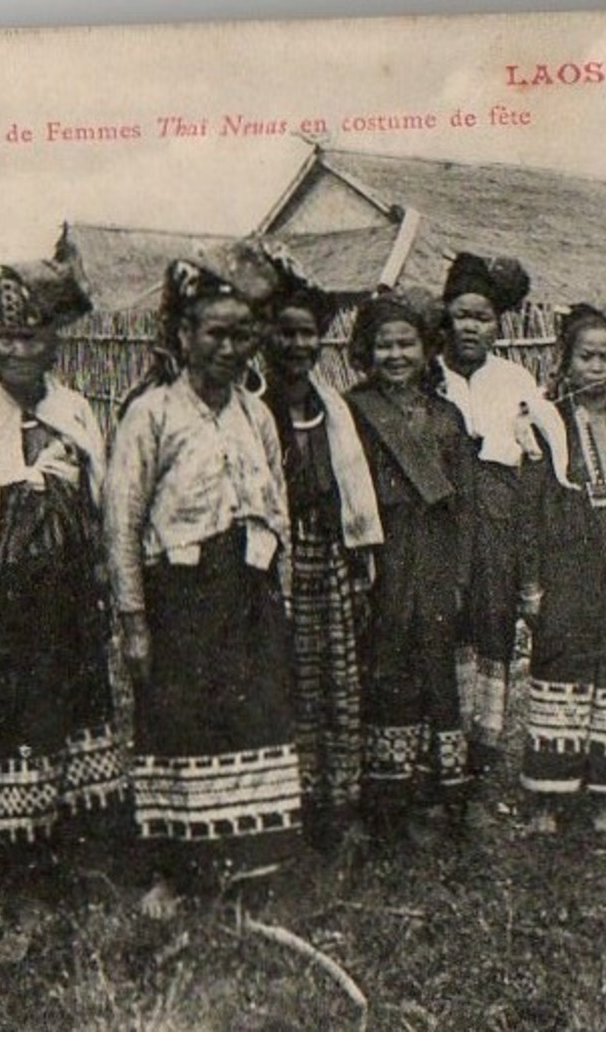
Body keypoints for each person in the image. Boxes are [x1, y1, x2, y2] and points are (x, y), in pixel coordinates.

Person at [105, 241, 302, 918]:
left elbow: (277, 503)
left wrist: (283, 597)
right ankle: (172, 870)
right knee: (178, 725)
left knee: (252, 721)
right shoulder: (151, 414)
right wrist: (133, 619)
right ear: (183, 335)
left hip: (248, 595)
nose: (229, 347)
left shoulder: (256, 413)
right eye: (214, 332)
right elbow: (121, 521)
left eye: (242, 334)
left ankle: (249, 867)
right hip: (180, 598)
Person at [0, 259, 121, 917]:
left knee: (69, 711)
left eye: (30, 337)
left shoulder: (72, 410)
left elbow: (102, 499)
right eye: (3, 336)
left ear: (53, 343)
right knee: (0, 719)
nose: (16, 350)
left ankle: (73, 854)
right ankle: (4, 865)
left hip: (64, 599)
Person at [515, 297, 606, 836]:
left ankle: (600, 796)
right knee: (560, 675)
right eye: (586, 357)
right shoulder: (548, 422)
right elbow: (529, 508)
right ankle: (548, 800)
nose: (596, 368)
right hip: (566, 573)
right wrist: (530, 585)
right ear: (566, 359)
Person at [345, 288, 478, 844]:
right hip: (383, 552)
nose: (395, 356)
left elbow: (464, 503)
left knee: (437, 667)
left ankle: (441, 794)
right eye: (384, 345)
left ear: (427, 351)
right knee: (386, 663)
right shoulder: (353, 410)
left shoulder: (447, 418)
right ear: (365, 351)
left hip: (435, 553)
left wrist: (461, 573)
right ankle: (385, 799)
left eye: (406, 344)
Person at [436, 252, 568, 790]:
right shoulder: (428, 373)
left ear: (499, 325)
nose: (471, 326)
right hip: (442, 523)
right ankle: (440, 748)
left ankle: (481, 751)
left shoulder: (515, 379)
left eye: (483, 317)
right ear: (446, 317)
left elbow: (540, 455)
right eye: (462, 314)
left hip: (496, 522)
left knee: (491, 623)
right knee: (445, 626)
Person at [261, 274, 383, 852]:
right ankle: (288, 805)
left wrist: (359, 559)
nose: (296, 345)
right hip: (275, 562)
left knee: (335, 679)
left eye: (307, 334)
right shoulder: (253, 407)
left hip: (328, 554)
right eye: (283, 333)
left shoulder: (330, 405)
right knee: (285, 679)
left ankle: (337, 803)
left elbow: (350, 486)